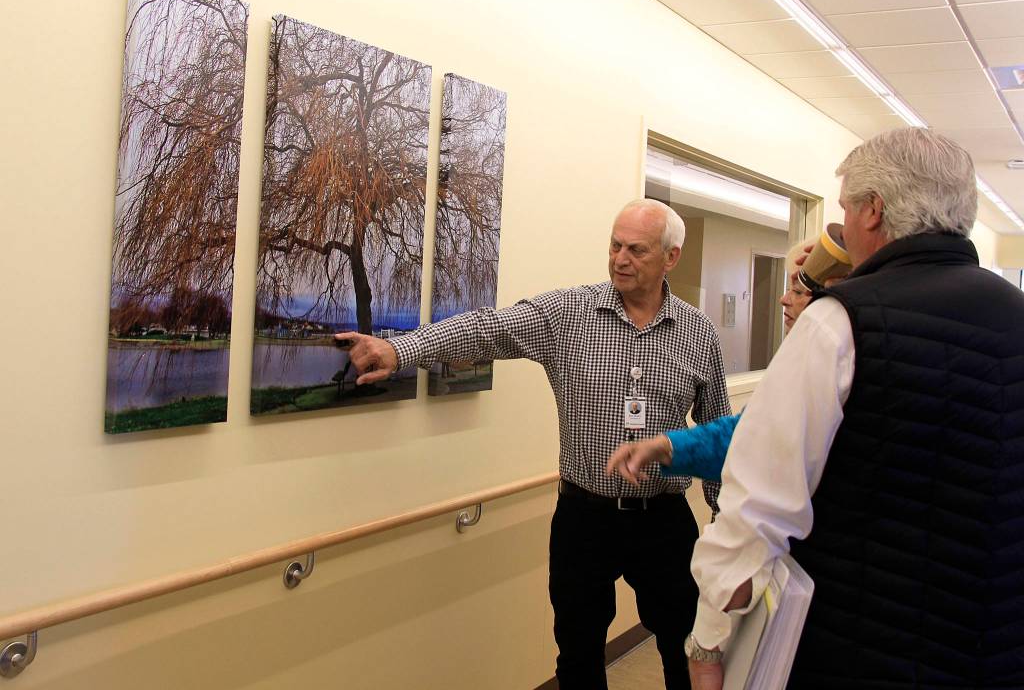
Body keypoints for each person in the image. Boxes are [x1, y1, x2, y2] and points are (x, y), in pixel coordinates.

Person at [649, 127, 1024, 690]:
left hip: (857, 644)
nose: (842, 226)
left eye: (846, 207)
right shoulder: (1015, 314)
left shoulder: (842, 319)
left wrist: (707, 641)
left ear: (873, 211)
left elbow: (760, 506)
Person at [338, 198, 732, 689]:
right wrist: (401, 349)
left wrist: (726, 528)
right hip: (584, 518)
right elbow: (486, 329)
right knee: (578, 651)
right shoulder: (569, 314)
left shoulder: (699, 334)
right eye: (614, 245)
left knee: (686, 645)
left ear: (670, 258)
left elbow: (720, 432)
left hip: (663, 520)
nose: (619, 259)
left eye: (636, 249)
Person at [607, 234, 849, 486]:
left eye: (798, 291)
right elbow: (745, 433)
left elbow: (748, 438)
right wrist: (665, 446)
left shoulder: (835, 363)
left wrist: (666, 448)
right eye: (616, 245)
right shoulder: (798, 361)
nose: (783, 299)